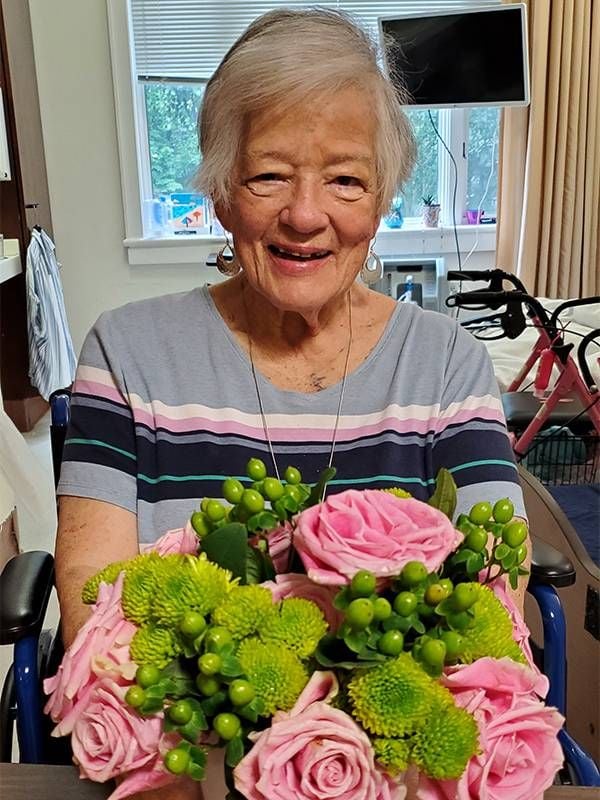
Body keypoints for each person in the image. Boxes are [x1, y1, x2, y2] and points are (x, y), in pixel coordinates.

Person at [55, 9, 527, 799]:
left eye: (345, 179)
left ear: (379, 205)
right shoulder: (127, 351)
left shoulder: (446, 361)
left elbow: (493, 596)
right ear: (219, 193)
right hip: (190, 761)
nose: (306, 216)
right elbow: (92, 580)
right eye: (268, 174)